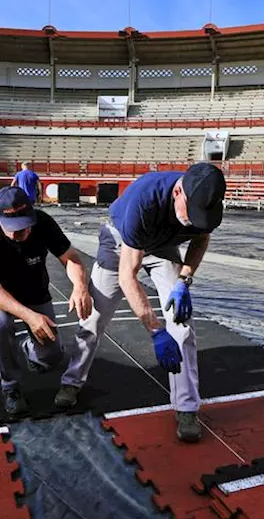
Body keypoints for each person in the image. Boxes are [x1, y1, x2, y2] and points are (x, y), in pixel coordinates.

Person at [61, 162, 227, 442]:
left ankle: (186, 407)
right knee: (94, 318)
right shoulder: (144, 201)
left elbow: (200, 240)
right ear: (178, 193)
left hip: (163, 246)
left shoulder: (204, 206)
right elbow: (128, 276)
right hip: (121, 243)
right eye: (192, 214)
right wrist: (156, 331)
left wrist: (184, 281)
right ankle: (71, 382)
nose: (194, 221)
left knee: (182, 325)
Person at [0, 186, 93, 416]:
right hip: (2, 294)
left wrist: (79, 286)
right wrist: (29, 317)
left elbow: (71, 257)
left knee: (52, 358)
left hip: (36, 293)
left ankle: (29, 349)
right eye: (14, 228)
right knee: (0, 326)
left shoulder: (43, 222)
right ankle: (10, 387)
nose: (22, 232)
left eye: (26, 224)